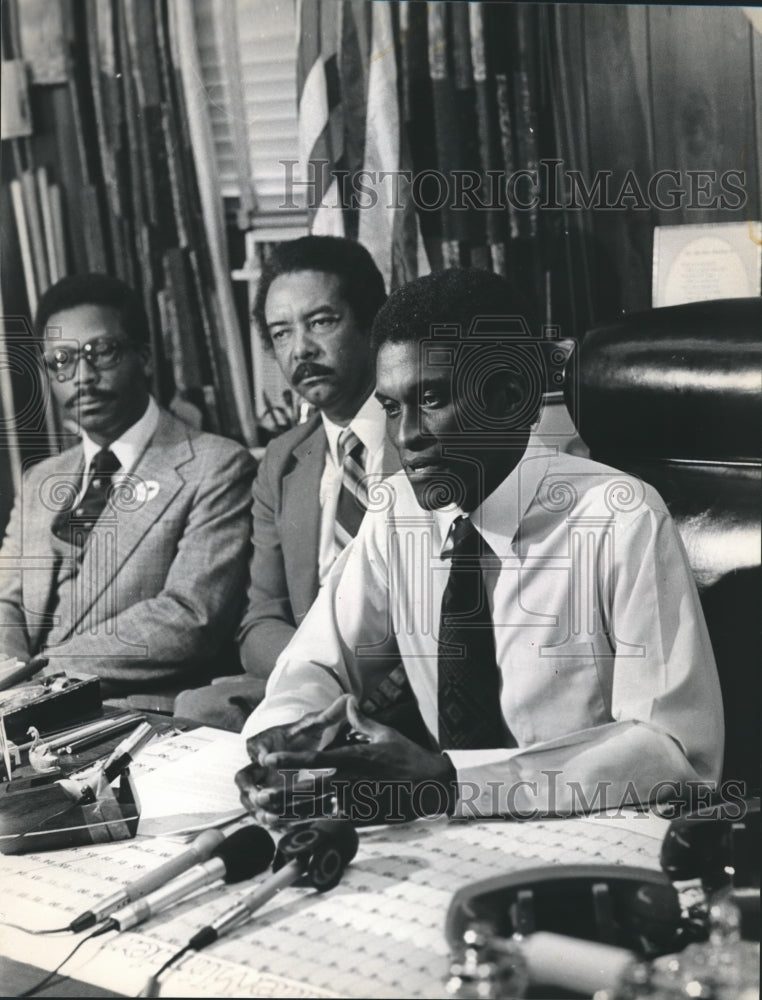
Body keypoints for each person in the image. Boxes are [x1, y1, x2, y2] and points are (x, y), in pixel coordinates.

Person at [235, 267, 724, 823]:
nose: (405, 435)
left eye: (433, 398)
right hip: (444, 834)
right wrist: (284, 736)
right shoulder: (396, 511)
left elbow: (674, 750)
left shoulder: (620, 517)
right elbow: (317, 664)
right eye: (392, 406)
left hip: (585, 829)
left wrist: (454, 783)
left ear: (512, 397)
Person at [175, 236, 407, 730]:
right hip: (311, 688)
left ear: (372, 322)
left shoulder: (423, 438)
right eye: (281, 333)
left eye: (322, 322)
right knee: (195, 711)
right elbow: (259, 621)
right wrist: (320, 676)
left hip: (412, 686)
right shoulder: (282, 461)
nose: (300, 348)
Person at [0, 273, 257, 711]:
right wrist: (9, 673)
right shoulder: (41, 478)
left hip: (134, 716)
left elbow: (190, 617)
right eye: (61, 360)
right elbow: (7, 597)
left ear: (145, 358)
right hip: (20, 707)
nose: (82, 376)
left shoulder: (216, 465)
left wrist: (40, 674)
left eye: (101, 352)